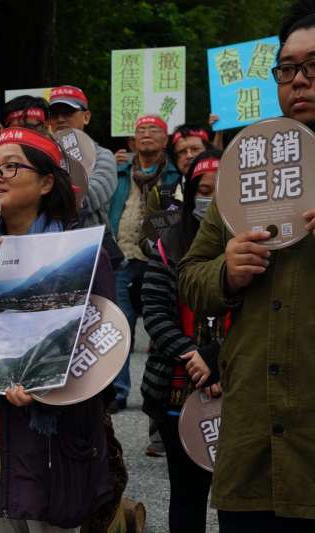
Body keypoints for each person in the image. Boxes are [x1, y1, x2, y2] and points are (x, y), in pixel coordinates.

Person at [0, 127, 115, 533]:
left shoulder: (77, 249)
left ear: (47, 181)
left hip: (51, 432)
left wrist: (48, 385)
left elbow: (105, 339)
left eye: (11, 167)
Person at [178, 5, 315, 531]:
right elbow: (191, 275)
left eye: (312, 66)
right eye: (287, 68)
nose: (299, 80)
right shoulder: (249, 164)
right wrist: (226, 272)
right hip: (253, 435)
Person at [141, 150, 224, 533]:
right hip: (175, 384)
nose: (210, 198)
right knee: (187, 495)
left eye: (219, 189)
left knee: (235, 496)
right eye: (202, 190)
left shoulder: (257, 241)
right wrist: (193, 355)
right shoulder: (168, 243)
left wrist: (218, 359)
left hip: (237, 382)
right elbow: (155, 312)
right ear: (189, 194)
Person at [108, 114, 181, 412]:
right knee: (119, 327)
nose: (147, 134)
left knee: (161, 327)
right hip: (122, 257)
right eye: (141, 130)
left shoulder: (174, 176)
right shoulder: (120, 172)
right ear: (132, 140)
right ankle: (118, 392)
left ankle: (158, 396)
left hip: (159, 261)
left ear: (165, 140)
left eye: (154, 130)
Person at [47, 85, 118, 229]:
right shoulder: (41, 156)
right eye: (54, 114)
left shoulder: (103, 156)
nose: (60, 119)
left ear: (86, 117)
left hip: (92, 243)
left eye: (68, 112)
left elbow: (92, 194)